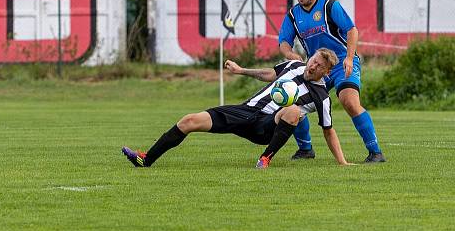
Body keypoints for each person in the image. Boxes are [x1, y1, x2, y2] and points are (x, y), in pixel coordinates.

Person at [121, 49, 351, 168]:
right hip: (246, 111)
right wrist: (241, 71)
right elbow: (269, 74)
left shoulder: (322, 98)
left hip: (266, 127)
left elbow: (328, 130)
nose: (313, 66)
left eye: (319, 66)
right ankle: (146, 159)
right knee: (189, 121)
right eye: (313, 60)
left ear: (326, 72)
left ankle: (265, 158)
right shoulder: (293, 65)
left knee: (293, 113)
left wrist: (341, 162)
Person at [278, 0, 386, 163]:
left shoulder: (329, 6)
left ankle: (375, 152)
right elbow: (284, 42)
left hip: (341, 63)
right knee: (293, 102)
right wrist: (290, 54)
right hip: (316, 69)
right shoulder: (293, 15)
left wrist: (349, 58)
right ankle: (305, 149)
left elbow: (352, 30)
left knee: (349, 102)